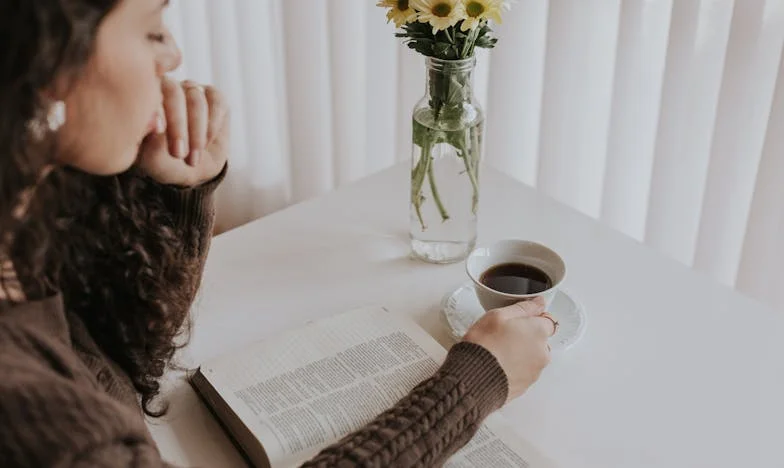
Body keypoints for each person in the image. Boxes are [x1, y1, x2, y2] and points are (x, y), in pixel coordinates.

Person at [0, 0, 556, 466]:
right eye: (151, 28)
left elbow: (118, 367)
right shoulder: (32, 413)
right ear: (49, 62)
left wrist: (174, 194)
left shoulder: (23, 220)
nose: (172, 54)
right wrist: (473, 384)